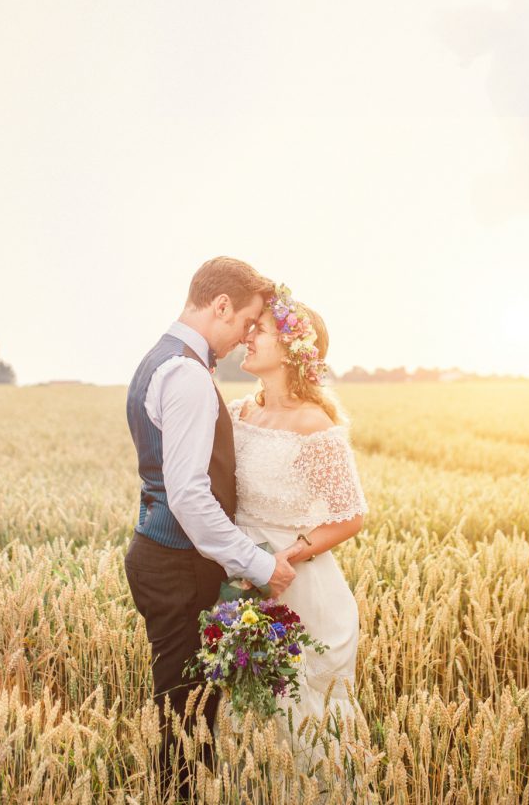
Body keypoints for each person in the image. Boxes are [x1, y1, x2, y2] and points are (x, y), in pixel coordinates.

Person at [123, 258, 304, 798]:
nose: (245, 336)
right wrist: (258, 563)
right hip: (177, 568)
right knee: (186, 725)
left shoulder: (162, 359)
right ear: (219, 305)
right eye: (246, 321)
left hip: (162, 558)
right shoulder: (185, 375)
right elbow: (188, 496)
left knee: (184, 716)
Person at [215, 282, 369, 787]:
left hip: (296, 585)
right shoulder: (239, 413)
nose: (246, 337)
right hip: (243, 577)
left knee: (302, 715)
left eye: (257, 330)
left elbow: (350, 515)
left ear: (291, 348)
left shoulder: (312, 424)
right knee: (249, 708)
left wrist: (285, 558)